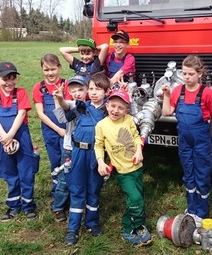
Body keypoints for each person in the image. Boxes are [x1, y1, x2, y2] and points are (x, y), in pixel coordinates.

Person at [161, 55, 212, 227]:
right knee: (188, 173)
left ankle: (202, 211)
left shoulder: (206, 93)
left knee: (202, 174)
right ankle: (191, 208)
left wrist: (209, 135)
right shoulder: (178, 90)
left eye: (190, 74)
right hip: (184, 141)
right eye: (184, 73)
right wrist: (166, 94)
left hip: (202, 139)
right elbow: (166, 112)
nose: (187, 77)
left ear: (199, 74)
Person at [94, 88, 152, 247]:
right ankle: (136, 227)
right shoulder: (101, 125)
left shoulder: (128, 120)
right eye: (113, 106)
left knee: (135, 199)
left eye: (120, 108)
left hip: (137, 166)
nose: (116, 110)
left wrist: (139, 150)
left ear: (126, 109)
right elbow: (98, 145)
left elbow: (135, 137)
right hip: (123, 171)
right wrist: (100, 162)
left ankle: (131, 223)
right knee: (136, 199)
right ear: (106, 105)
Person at [60, 72, 111, 246]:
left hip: (97, 155)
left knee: (94, 188)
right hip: (78, 153)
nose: (94, 93)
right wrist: (59, 98)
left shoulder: (109, 110)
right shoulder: (81, 107)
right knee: (77, 189)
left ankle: (92, 223)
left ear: (106, 91)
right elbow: (66, 108)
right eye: (91, 89)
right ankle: (73, 228)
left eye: (98, 89)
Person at [0, 61, 39, 221]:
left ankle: (29, 206)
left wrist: (11, 135)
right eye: (5, 78)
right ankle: (14, 206)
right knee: (10, 172)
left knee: (26, 172)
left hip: (21, 137)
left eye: (13, 78)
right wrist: (5, 138)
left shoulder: (20, 93)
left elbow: (21, 114)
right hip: (4, 141)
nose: (9, 82)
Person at [32, 54, 71, 211]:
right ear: (42, 69)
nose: (50, 73)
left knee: (67, 162)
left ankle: (67, 194)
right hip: (51, 131)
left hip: (67, 129)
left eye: (53, 69)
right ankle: (57, 193)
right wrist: (58, 130)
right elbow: (41, 114)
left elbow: (68, 108)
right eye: (46, 70)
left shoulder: (67, 84)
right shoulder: (38, 88)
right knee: (55, 162)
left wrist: (64, 130)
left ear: (59, 68)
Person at [51, 75, 89, 222]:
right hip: (70, 149)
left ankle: (79, 203)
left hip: (86, 149)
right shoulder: (72, 105)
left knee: (83, 178)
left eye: (81, 89)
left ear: (87, 89)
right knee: (64, 180)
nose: (77, 93)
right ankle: (58, 206)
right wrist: (58, 99)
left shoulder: (92, 106)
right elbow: (63, 112)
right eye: (73, 90)